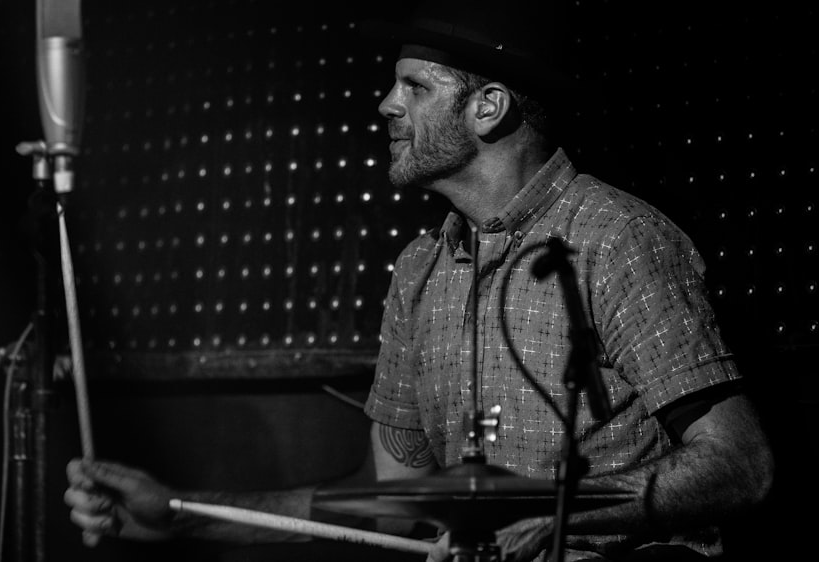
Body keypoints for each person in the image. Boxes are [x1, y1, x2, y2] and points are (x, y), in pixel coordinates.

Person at [64, 1, 775, 560]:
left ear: (488, 107)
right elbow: (393, 502)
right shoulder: (419, 271)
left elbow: (739, 467)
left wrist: (554, 519)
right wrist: (182, 514)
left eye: (413, 86)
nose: (386, 105)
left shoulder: (616, 239)